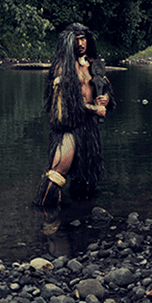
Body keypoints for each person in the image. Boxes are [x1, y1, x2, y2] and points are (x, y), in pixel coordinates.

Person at [35, 23, 112, 207]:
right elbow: (67, 103)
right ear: (69, 43)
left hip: (90, 129)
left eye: (83, 39)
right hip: (69, 128)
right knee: (56, 174)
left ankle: (82, 218)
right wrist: (95, 109)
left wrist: (105, 99)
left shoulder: (93, 64)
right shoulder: (62, 68)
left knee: (86, 177)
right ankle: (46, 223)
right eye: (76, 40)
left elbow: (107, 89)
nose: (81, 43)